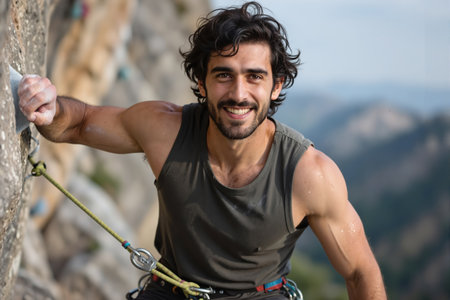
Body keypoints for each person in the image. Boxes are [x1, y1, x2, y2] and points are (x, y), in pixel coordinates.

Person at [18, 2, 386, 299]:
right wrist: (50, 107)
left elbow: (359, 271)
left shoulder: (309, 173)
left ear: (276, 86)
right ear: (202, 82)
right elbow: (79, 122)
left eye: (255, 76)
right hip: (171, 290)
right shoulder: (166, 130)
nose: (239, 93)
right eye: (223, 74)